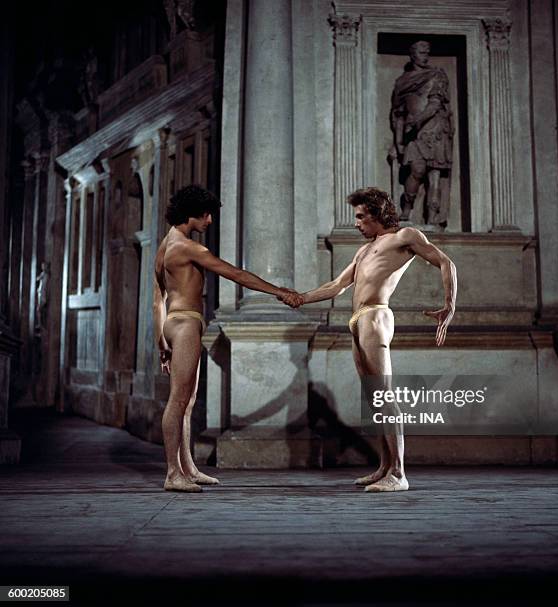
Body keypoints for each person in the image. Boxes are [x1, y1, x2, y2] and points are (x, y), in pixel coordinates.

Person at [299, 187, 457, 492]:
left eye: (361, 216)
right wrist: (299, 298)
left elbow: (446, 263)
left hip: (375, 316)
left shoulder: (404, 236)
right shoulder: (364, 250)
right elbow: (336, 285)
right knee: (374, 398)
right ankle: (384, 467)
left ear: (377, 213)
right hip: (357, 321)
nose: (357, 223)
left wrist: (449, 305)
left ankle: (398, 474)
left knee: (385, 396)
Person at [153, 185, 301, 492]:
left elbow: (158, 299)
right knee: (179, 399)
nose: (209, 221)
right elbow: (237, 275)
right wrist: (280, 292)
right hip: (186, 324)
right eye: (206, 215)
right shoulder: (187, 248)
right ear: (191, 213)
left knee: (188, 400)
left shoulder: (165, 245)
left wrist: (161, 340)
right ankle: (172, 473)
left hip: (173, 323)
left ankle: (187, 468)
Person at [389, 40, 453, 226]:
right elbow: (398, 113)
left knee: (434, 175)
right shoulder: (402, 82)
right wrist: (398, 141)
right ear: (413, 55)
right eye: (422, 52)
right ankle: (407, 209)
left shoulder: (437, 75)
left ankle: (432, 217)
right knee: (416, 170)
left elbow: (435, 104)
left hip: (434, 130)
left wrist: (417, 120)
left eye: (427, 52)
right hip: (413, 134)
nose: (426, 56)